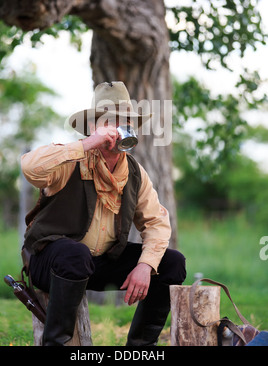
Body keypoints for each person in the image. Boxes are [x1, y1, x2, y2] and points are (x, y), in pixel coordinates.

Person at [21, 81, 186, 346]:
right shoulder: (70, 158)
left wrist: (145, 265)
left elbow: (156, 222)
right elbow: (30, 168)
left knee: (171, 263)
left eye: (125, 122)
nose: (118, 129)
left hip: (97, 263)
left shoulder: (134, 173)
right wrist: (87, 144)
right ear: (92, 127)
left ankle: (140, 348)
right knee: (75, 253)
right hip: (50, 262)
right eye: (110, 122)